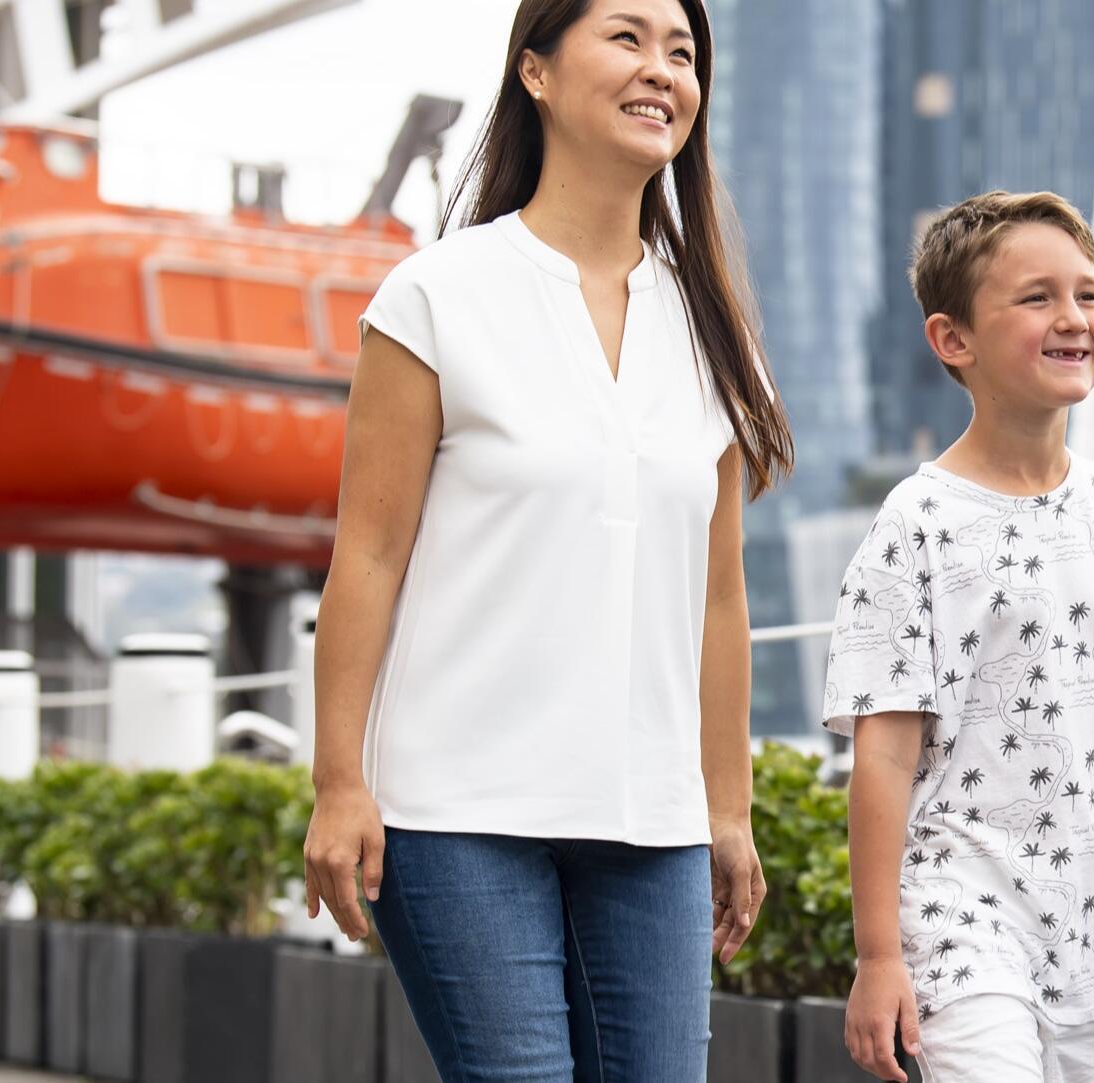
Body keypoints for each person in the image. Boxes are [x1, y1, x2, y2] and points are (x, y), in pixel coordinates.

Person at [302, 0, 788, 1077]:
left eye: (682, 51)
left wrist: (727, 807)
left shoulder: (710, 324)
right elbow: (367, 558)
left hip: (651, 821)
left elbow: (717, 596)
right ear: (534, 70)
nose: (661, 68)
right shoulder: (434, 296)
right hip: (455, 809)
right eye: (627, 37)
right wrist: (341, 781)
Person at [821, 191, 1094, 1082]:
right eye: (1036, 297)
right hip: (958, 903)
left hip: (1091, 913)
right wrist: (878, 955)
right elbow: (884, 757)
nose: (1071, 318)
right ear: (953, 339)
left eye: (1087, 295)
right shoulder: (918, 523)